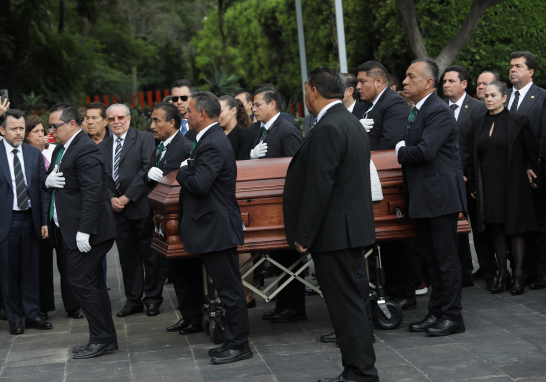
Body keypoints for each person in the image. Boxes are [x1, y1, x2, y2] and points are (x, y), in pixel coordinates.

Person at [284, 66, 378, 382]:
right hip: (349, 230)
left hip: (335, 233)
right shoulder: (349, 122)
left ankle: (361, 373)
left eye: (305, 90)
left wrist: (304, 234)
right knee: (351, 305)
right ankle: (357, 370)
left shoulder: (328, 127)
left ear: (313, 91)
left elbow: (319, 185)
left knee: (346, 308)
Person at [176, 91, 251, 364]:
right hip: (213, 227)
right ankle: (233, 341)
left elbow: (199, 184)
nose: (186, 115)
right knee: (227, 289)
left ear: (202, 114)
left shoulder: (212, 142)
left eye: (189, 111)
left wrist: (184, 170)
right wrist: (191, 167)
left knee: (231, 291)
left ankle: (239, 345)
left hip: (216, 228)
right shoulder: (209, 139)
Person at [42, 102, 118, 359]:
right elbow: (57, 181)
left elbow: (93, 194)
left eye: (55, 126)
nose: (51, 131)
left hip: (88, 233)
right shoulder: (62, 149)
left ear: (72, 124)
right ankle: (106, 338)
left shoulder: (84, 149)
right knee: (92, 284)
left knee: (80, 282)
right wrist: (46, 181)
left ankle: (102, 338)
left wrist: (85, 231)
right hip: (71, 229)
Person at [397, 59, 466, 336]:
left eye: (410, 76)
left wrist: (400, 150)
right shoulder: (418, 110)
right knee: (433, 260)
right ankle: (436, 312)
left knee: (446, 259)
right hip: (426, 196)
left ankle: (453, 316)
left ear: (428, 83)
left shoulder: (437, 111)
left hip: (440, 197)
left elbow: (425, 151)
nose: (404, 81)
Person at [467, 81, 539, 295]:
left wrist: (529, 169)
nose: (488, 99)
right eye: (486, 96)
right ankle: (502, 273)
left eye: (493, 96)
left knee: (515, 230)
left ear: (504, 98)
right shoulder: (478, 122)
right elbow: (472, 157)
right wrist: (473, 182)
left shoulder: (518, 120)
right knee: (496, 229)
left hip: (513, 183)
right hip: (488, 185)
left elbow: (531, 151)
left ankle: (518, 274)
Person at [249, 85, 306, 324]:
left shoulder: (286, 130)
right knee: (280, 259)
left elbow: (295, 168)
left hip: (284, 203)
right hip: (270, 207)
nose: (253, 109)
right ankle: (283, 303)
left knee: (289, 258)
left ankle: (294, 307)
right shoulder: (259, 131)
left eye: (257, 104)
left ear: (272, 104)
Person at [99, 104, 159, 317]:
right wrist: (112, 199)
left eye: (120, 117)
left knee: (150, 256)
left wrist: (126, 197)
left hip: (140, 207)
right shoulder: (102, 147)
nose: (116, 121)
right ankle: (133, 300)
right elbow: (100, 178)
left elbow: (146, 170)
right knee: (127, 258)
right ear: (106, 121)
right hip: (117, 212)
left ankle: (152, 299)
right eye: (112, 118)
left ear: (129, 118)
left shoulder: (144, 139)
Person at [144, 102, 195, 335]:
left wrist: (163, 176)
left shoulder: (185, 147)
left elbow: (182, 180)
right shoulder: (160, 146)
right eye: (152, 120)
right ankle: (187, 315)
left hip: (180, 218)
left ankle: (194, 316)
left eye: (157, 120)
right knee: (176, 272)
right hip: (165, 220)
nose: (152, 125)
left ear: (172, 122)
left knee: (186, 270)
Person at [0, 109, 52, 335]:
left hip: (30, 219)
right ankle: (14, 318)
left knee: (32, 269)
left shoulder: (33, 154)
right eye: (14, 128)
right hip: (5, 222)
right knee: (9, 271)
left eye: (22, 128)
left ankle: (32, 314)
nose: (19, 132)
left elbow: (41, 190)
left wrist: (43, 221)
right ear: (2, 130)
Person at [443, 65, 489, 288]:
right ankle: (463, 273)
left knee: (480, 227)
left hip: (472, 178)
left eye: (451, 81)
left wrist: (471, 176)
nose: (446, 85)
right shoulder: (439, 108)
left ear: (463, 84)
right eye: (444, 81)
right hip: (448, 180)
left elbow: (480, 146)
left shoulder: (479, 108)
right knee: (455, 229)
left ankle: (489, 270)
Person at [505, 51, 546, 289]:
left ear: (530, 72)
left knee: (539, 224)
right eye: (511, 66)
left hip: (533, 171)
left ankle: (542, 271)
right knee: (517, 224)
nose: (512, 70)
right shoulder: (505, 96)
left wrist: (533, 166)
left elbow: (541, 137)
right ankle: (525, 270)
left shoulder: (542, 97)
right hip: (509, 173)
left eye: (518, 66)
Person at [218, 95, 256, 307]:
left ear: (233, 110)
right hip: (220, 196)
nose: (217, 116)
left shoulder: (244, 134)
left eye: (221, 110)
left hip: (238, 193)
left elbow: (241, 166)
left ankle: (247, 294)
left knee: (241, 245)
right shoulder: (217, 134)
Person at [24, 115, 55, 319]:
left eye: (43, 131)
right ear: (26, 135)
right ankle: (37, 306)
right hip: (32, 214)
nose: (41, 135)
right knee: (35, 262)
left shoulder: (51, 151)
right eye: (36, 132)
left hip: (52, 213)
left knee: (52, 261)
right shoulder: (25, 154)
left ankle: (49, 305)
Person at [355, 61, 409, 150]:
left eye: (362, 81)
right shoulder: (364, 104)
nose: (358, 86)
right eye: (358, 81)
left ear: (378, 81)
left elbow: (389, 144)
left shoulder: (396, 103)